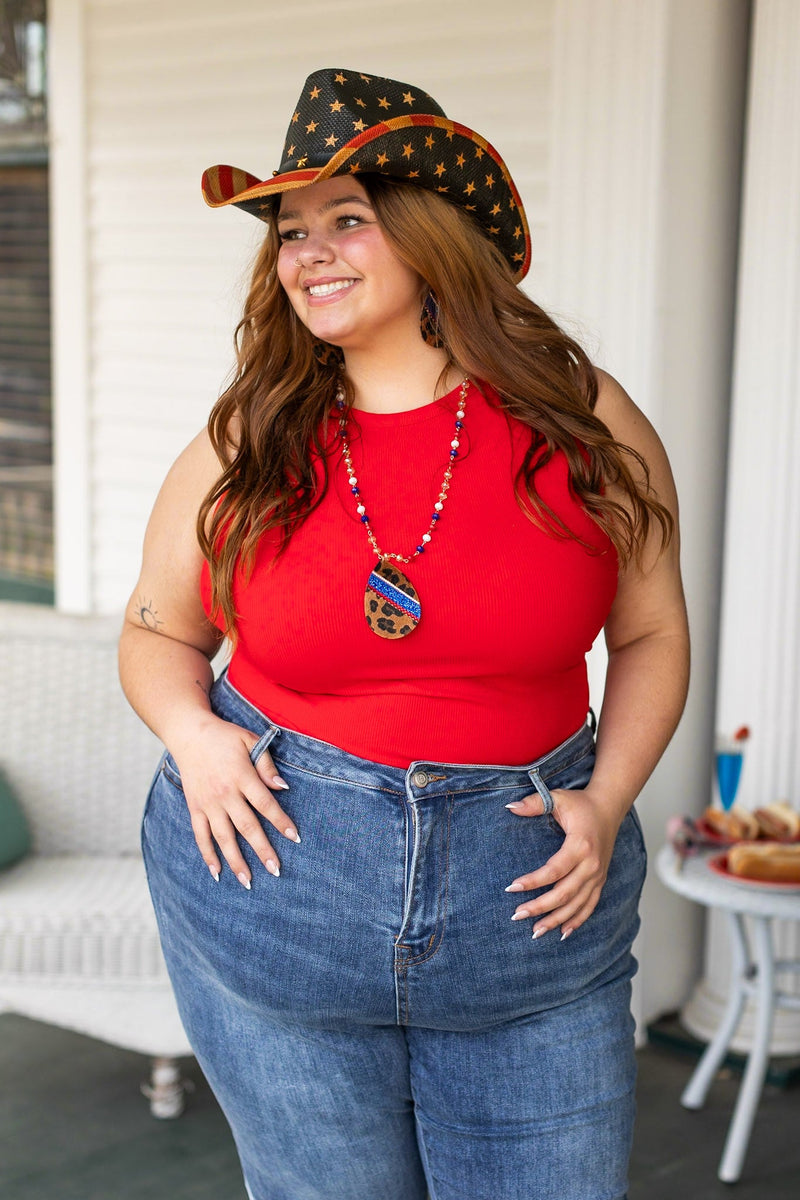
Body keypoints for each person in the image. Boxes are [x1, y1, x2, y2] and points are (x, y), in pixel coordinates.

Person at [119, 67, 689, 1200]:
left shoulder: (580, 420)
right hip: (276, 885)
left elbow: (651, 634)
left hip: (525, 912)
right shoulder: (247, 437)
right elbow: (154, 631)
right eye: (288, 231)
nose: (307, 253)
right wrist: (193, 733)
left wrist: (611, 793)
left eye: (346, 220)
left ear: (434, 238)